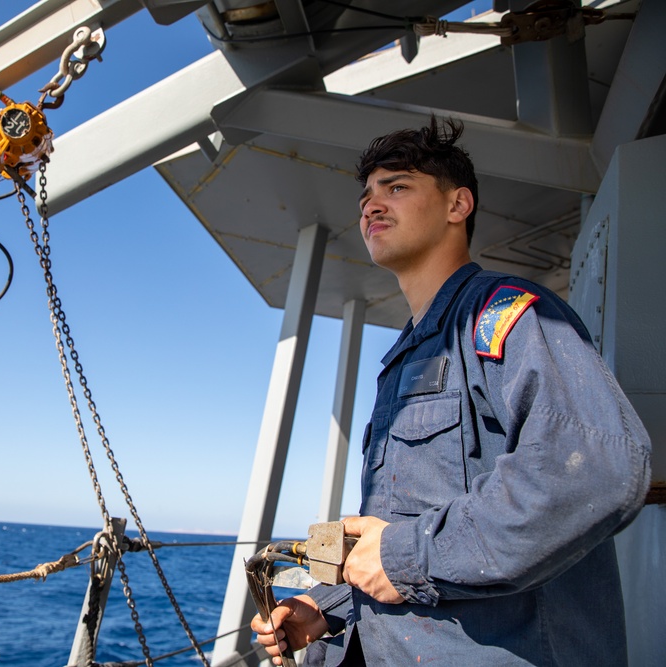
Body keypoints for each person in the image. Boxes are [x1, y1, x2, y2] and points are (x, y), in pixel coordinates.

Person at [251, 117, 651, 665]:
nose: (370, 206)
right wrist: (327, 607)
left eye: (397, 187)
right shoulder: (405, 357)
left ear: (457, 206)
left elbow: (595, 469)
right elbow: (406, 530)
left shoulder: (502, 316)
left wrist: (403, 557)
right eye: (366, 195)